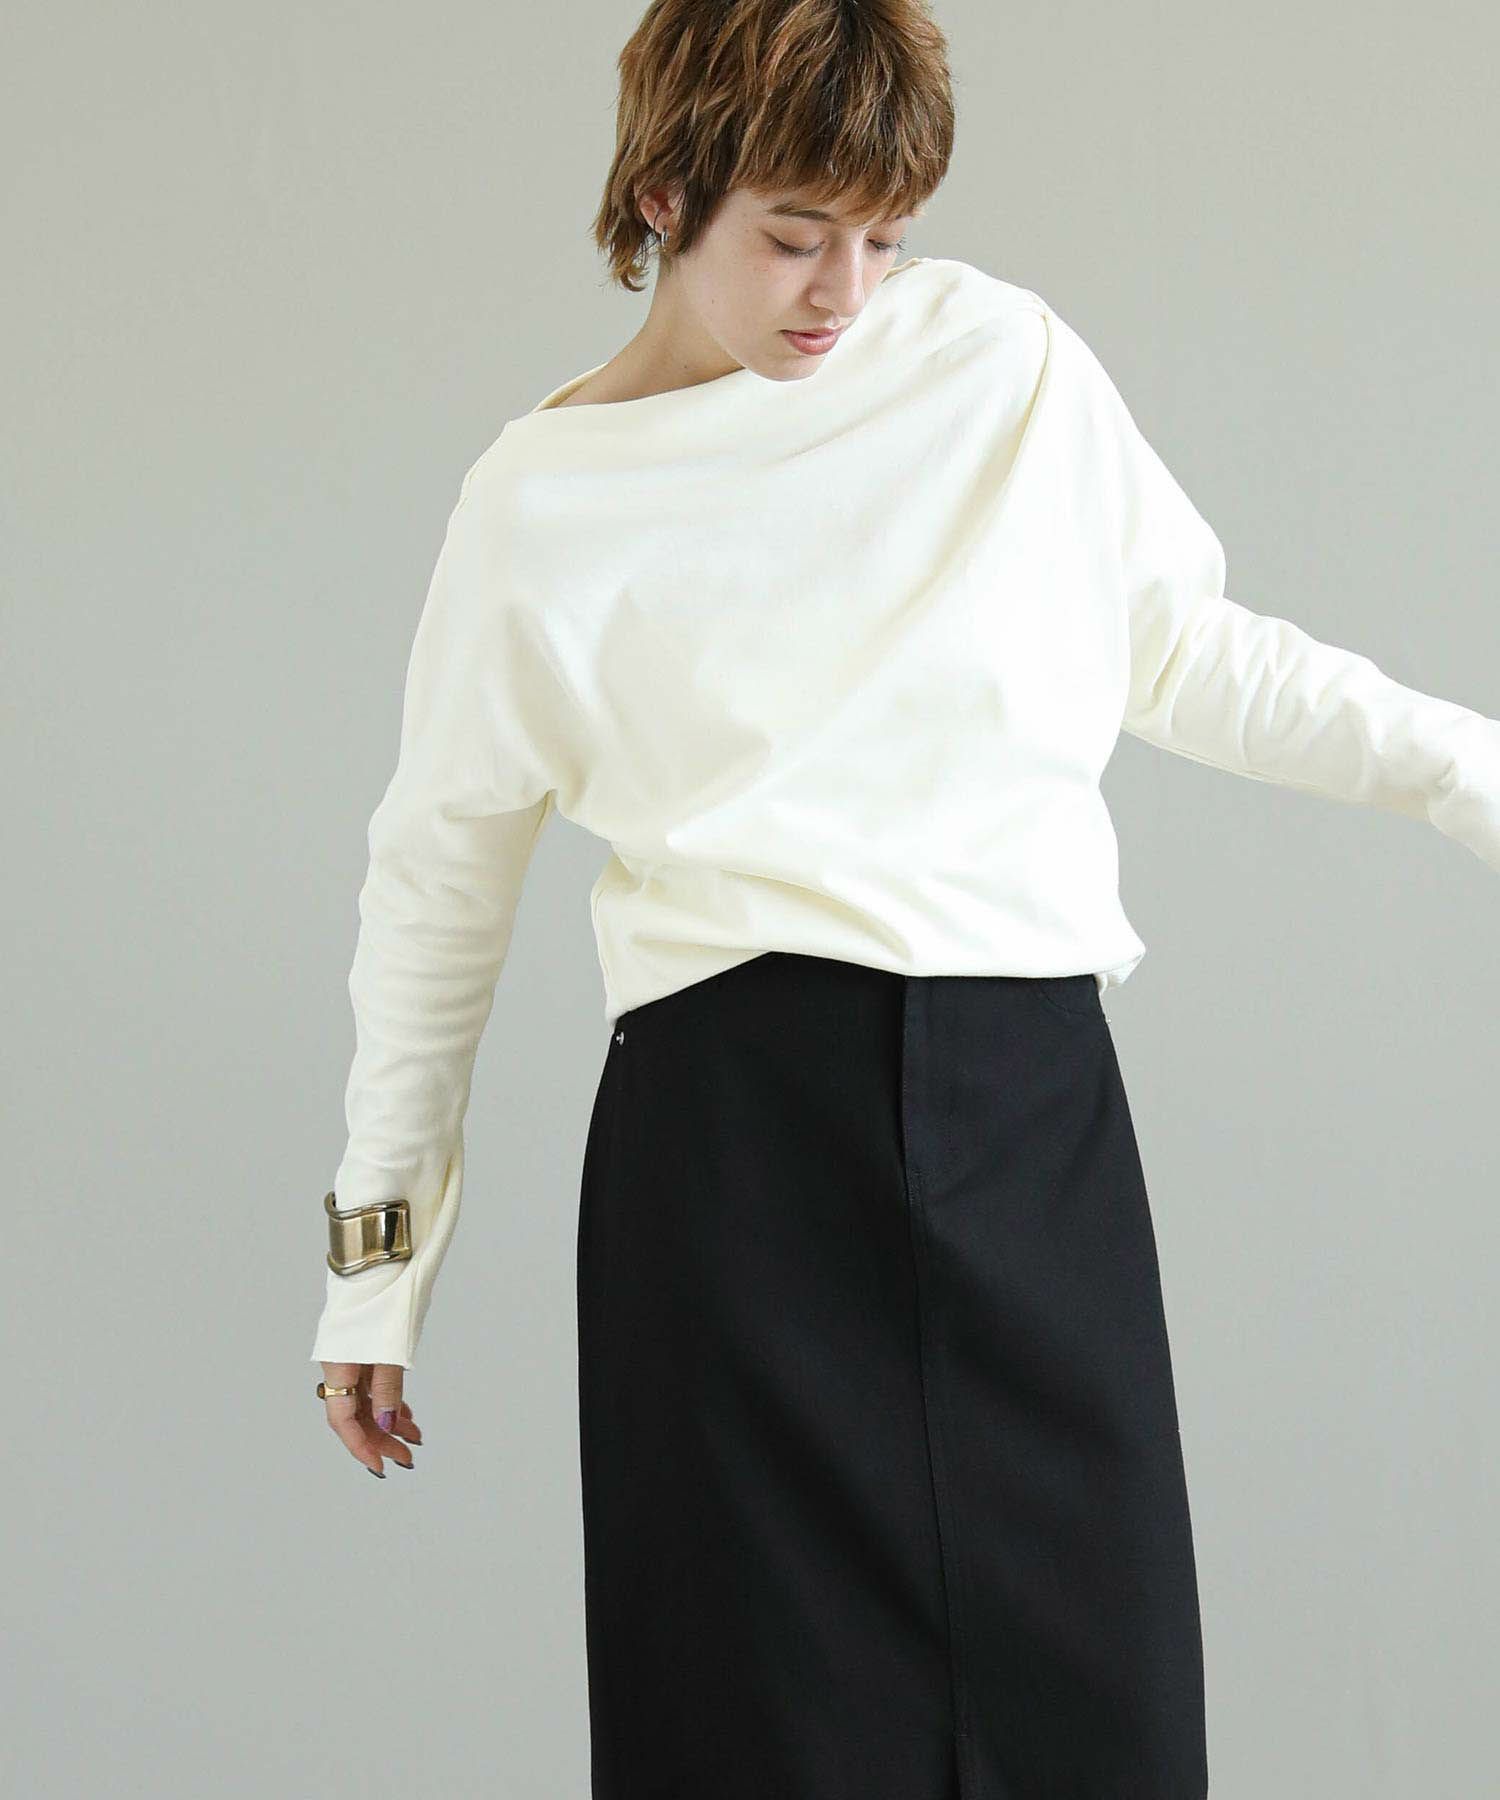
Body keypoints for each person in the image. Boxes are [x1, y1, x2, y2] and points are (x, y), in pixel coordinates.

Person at [309, 3, 1500, 1795]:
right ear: (664, 195)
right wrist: (374, 1270)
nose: (846, 291)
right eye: (796, 235)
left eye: (884, 236)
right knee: (762, 1739)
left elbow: (1183, 651)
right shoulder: (536, 509)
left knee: (1099, 1726)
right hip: (733, 1163)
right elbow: (436, 892)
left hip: (1031, 1125)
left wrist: (1471, 770)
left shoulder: (1000, 363)